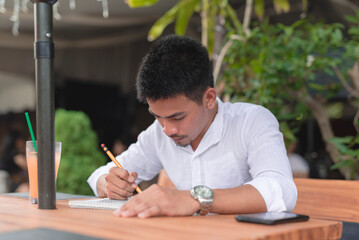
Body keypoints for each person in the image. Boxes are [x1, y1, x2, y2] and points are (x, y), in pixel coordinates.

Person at [88, 35, 297, 218]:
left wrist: (194, 198)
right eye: (158, 116)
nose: (167, 130)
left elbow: (281, 190)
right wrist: (108, 184)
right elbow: (101, 174)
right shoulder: (158, 134)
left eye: (177, 117)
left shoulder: (251, 122)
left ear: (209, 98)